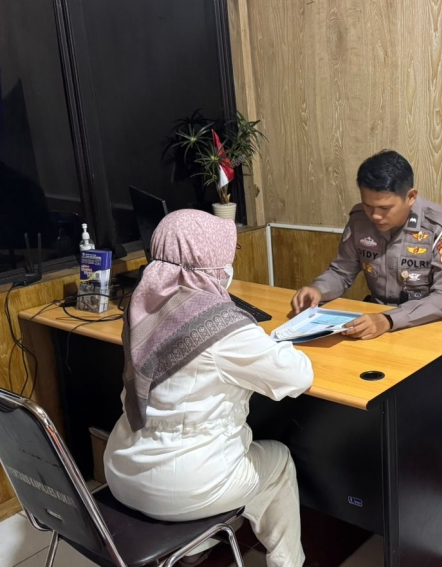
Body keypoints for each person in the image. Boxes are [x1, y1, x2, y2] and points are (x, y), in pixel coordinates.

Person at [104, 210, 314, 567]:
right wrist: (268, 340)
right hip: (183, 487)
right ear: (209, 264)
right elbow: (297, 377)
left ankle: (192, 548)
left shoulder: (142, 306)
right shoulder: (223, 328)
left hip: (122, 472)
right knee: (278, 461)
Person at [291, 150, 442, 339]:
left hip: (428, 325)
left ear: (411, 197)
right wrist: (318, 290)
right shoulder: (359, 220)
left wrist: (389, 319)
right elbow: (341, 272)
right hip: (378, 323)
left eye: (384, 208)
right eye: (368, 205)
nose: (375, 215)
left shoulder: (441, 226)